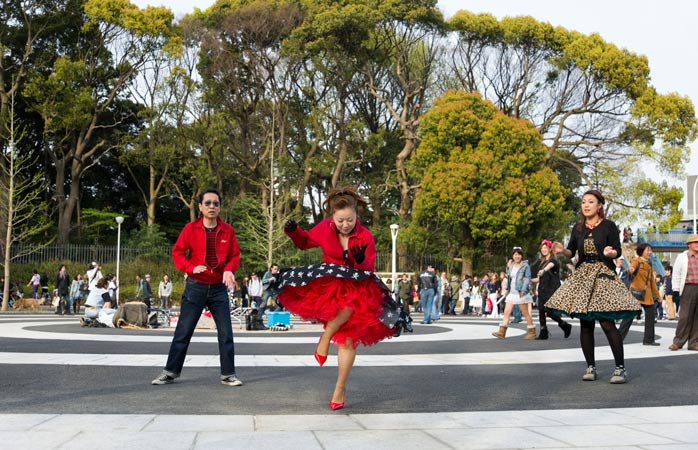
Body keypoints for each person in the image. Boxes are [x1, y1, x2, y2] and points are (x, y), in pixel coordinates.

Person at [277, 186, 400, 410]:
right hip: (330, 285)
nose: (346, 224)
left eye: (350, 220)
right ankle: (328, 342)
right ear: (333, 217)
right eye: (341, 220)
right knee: (347, 328)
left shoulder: (365, 236)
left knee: (349, 339)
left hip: (359, 285)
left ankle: (339, 386)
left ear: (357, 216)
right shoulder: (325, 228)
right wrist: (293, 231)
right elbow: (304, 242)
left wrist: (359, 260)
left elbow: (367, 268)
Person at [546, 190, 640, 384]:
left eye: (591, 202)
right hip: (583, 275)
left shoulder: (608, 226)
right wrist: (562, 250)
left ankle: (620, 368)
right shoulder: (578, 228)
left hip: (603, 274)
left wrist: (611, 252)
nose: (586, 205)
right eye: (583, 202)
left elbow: (617, 250)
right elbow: (571, 251)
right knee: (585, 324)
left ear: (599, 206)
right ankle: (590, 367)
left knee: (606, 323)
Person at [152, 188, 242, 387]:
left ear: (220, 207)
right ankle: (170, 372)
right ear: (200, 207)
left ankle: (228, 374)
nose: (212, 207)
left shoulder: (228, 230)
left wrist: (229, 270)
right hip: (195, 286)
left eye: (216, 203)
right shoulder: (190, 229)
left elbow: (234, 255)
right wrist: (191, 267)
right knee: (183, 331)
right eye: (208, 203)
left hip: (218, 288)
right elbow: (177, 253)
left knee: (226, 332)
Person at [618, 243, 660, 345]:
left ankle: (648, 340)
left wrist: (658, 296)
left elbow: (652, 282)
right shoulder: (637, 261)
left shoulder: (649, 264)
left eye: (651, 250)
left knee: (650, 318)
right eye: (648, 250)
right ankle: (617, 340)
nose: (650, 252)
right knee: (628, 318)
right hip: (636, 294)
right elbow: (631, 268)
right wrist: (630, 269)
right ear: (642, 251)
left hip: (647, 296)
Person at [491, 247, 537, 339]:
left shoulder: (525, 266)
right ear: (513, 256)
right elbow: (509, 278)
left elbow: (527, 278)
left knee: (525, 313)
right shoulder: (511, 265)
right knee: (506, 312)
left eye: (519, 254)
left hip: (521, 292)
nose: (517, 256)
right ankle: (502, 332)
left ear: (522, 256)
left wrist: (524, 290)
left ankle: (532, 332)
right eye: (515, 254)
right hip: (511, 292)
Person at [532, 240, 572, 340]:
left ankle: (564, 325)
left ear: (550, 249)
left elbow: (549, 267)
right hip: (542, 288)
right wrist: (529, 280)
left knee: (549, 311)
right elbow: (539, 278)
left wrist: (543, 270)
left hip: (551, 289)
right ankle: (543, 332)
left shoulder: (553, 260)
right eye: (542, 248)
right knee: (541, 311)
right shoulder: (541, 262)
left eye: (545, 248)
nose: (543, 250)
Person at [669, 234, 698, 351]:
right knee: (684, 316)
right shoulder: (682, 257)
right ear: (689, 245)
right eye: (695, 242)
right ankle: (678, 342)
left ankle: (693, 343)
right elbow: (676, 274)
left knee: (697, 317)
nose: (697, 244)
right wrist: (675, 289)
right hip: (687, 288)